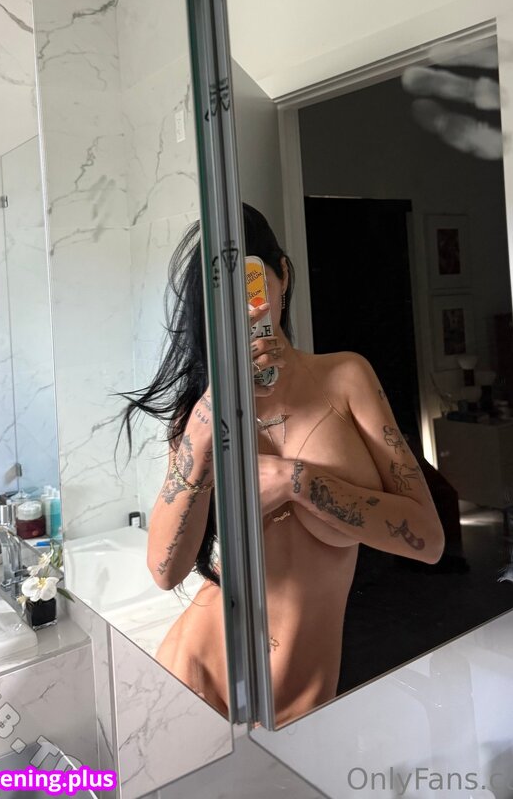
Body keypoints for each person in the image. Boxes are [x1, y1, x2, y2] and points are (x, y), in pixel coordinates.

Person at [120, 205, 444, 725]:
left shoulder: (346, 378)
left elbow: (428, 540)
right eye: (220, 294)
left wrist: (298, 481)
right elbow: (164, 571)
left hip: (303, 703)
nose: (241, 308)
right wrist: (205, 421)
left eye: (250, 283)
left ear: (283, 276)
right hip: (195, 683)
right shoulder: (200, 415)